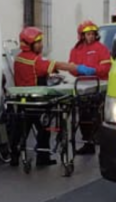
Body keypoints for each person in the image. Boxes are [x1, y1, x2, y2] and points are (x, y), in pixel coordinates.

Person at [10, 26, 95, 167]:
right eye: (38, 42)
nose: (41, 45)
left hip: (23, 101)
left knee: (20, 130)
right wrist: (77, 68)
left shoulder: (18, 59)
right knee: (44, 130)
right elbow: (58, 65)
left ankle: (14, 156)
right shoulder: (35, 61)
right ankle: (43, 158)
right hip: (38, 102)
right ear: (29, 44)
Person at [67, 20, 113, 154]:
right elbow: (71, 67)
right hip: (82, 87)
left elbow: (106, 67)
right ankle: (88, 143)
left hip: (98, 86)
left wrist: (93, 70)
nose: (91, 36)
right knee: (83, 117)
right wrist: (78, 70)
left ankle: (98, 141)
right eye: (88, 34)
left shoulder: (101, 48)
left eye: (93, 34)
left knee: (96, 116)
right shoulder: (76, 50)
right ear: (82, 35)